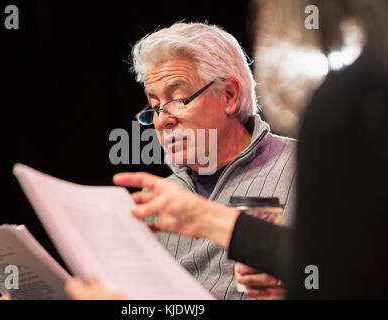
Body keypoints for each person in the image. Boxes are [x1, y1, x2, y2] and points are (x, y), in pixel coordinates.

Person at [65, 0, 388, 300]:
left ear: (230, 95)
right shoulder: (157, 200)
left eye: (178, 98)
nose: (163, 119)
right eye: (154, 106)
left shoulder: (311, 167)